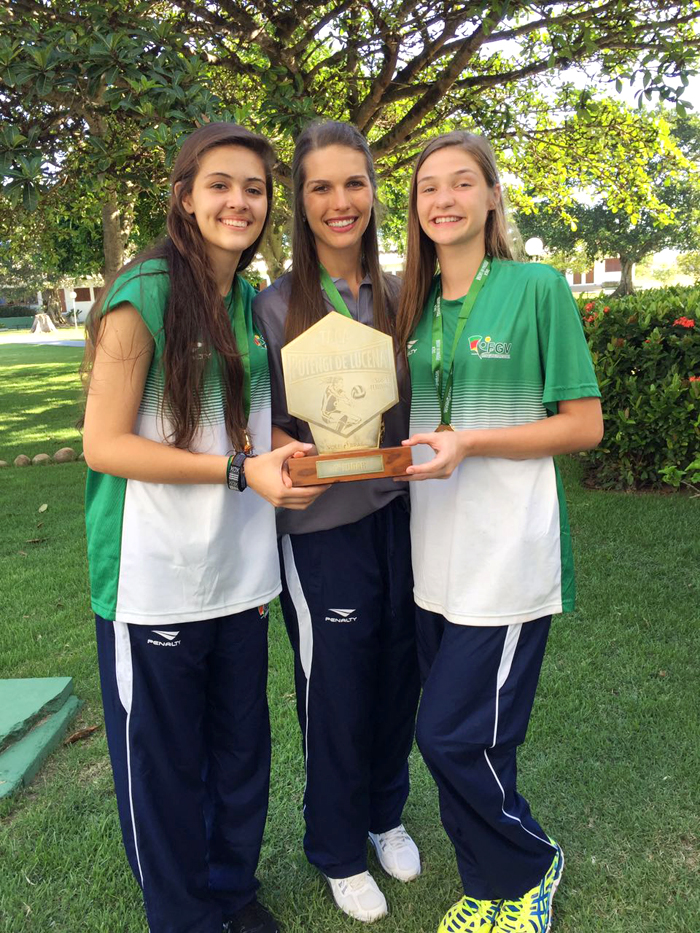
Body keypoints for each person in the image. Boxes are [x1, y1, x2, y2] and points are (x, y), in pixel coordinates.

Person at [81, 122, 322, 933]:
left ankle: (230, 890)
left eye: (254, 188)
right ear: (184, 196)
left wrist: (288, 452)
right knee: (165, 766)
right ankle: (182, 915)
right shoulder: (141, 293)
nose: (239, 201)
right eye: (221, 184)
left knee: (240, 752)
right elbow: (104, 444)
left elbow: (240, 429)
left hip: (239, 571)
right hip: (153, 578)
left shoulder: (250, 305)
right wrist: (233, 471)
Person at [395, 131, 604, 933]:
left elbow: (582, 425)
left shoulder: (536, 287)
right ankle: (490, 884)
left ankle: (527, 865)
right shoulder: (409, 307)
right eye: (426, 189)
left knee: (448, 733)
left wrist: (474, 440)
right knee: (476, 736)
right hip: (430, 556)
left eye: (460, 183)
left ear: (490, 197)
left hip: (508, 556)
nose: (442, 199)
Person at [253, 121, 421, 924]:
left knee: (399, 671)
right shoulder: (273, 304)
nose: (340, 201)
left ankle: (386, 813)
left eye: (353, 183)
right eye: (321, 186)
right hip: (321, 532)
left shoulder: (400, 294)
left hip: (402, 517)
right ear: (300, 202)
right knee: (337, 685)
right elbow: (257, 427)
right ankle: (337, 850)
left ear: (373, 193)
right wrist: (280, 444)